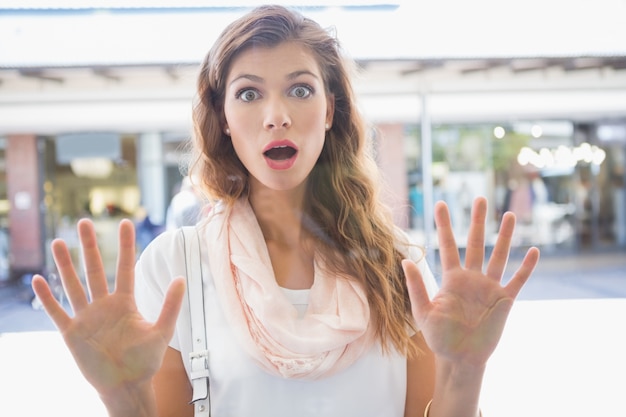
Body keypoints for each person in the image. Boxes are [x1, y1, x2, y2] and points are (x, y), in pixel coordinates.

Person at [31, 5, 540, 417]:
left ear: (330, 109)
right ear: (224, 119)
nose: (277, 116)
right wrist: (121, 400)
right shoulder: (175, 268)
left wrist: (467, 370)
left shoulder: (397, 264)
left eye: (300, 89)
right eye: (248, 93)